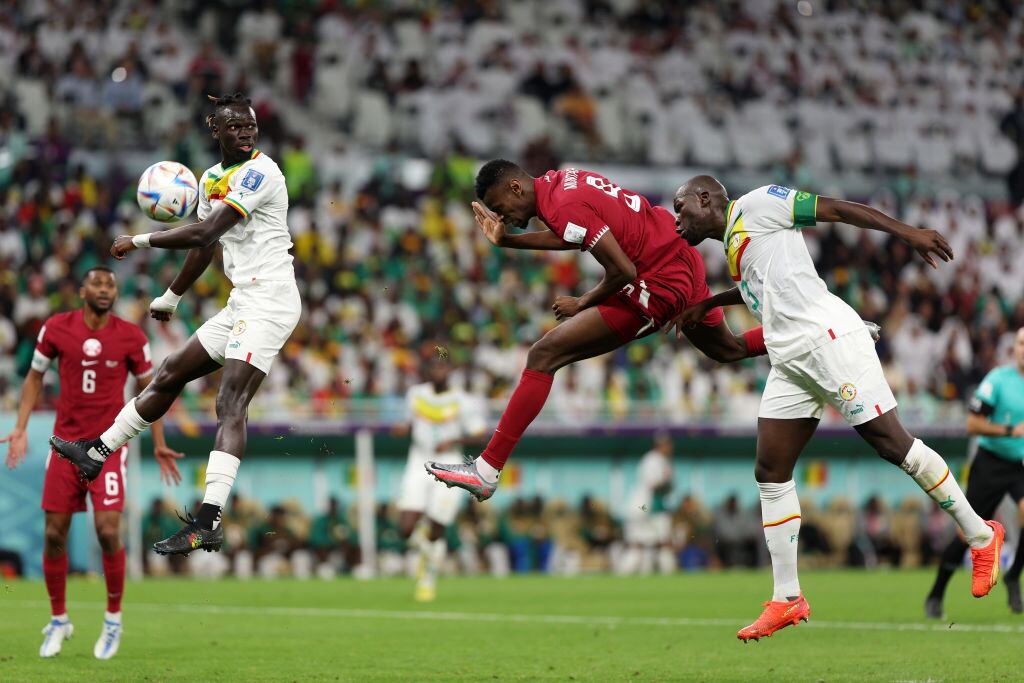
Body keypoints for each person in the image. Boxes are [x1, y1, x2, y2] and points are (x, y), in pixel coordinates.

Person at [670, 177, 1004, 642]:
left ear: (705, 199)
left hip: (828, 343)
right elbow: (764, 293)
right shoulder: (734, 246)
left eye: (679, 206)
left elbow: (837, 210)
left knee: (896, 448)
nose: (675, 217)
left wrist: (907, 233)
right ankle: (787, 599)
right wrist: (706, 305)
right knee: (770, 470)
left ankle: (981, 535)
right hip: (789, 361)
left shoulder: (759, 204)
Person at [49, 92, 300, 556]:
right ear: (215, 130)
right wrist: (172, 295)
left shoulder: (263, 172)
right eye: (235, 127)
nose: (245, 134)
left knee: (231, 401)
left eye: (250, 127)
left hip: (271, 300)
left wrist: (139, 239)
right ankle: (96, 452)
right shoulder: (208, 179)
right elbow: (204, 248)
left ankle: (208, 521)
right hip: (243, 299)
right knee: (170, 372)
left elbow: (206, 231)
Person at [427, 160, 766, 501]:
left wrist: (583, 302)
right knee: (728, 349)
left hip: (657, 280)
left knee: (543, 355)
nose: (504, 218)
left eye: (501, 208)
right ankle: (802, 331)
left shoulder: (561, 205)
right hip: (674, 251)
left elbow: (623, 269)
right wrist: (510, 241)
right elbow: (574, 232)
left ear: (516, 188)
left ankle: (487, 471)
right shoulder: (561, 182)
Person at [2, 266, 183, 659]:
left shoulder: (131, 337)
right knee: (53, 535)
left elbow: (150, 390)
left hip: (109, 447)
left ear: (115, 293)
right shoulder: (56, 328)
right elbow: (34, 378)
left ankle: (113, 618)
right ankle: (58, 619)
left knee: (106, 530)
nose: (104, 288)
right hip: (65, 448)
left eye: (110, 284)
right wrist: (20, 427)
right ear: (82, 290)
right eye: (97, 283)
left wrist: (158, 442)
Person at [925, 327, 1024, 618]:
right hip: (990, 462)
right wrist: (1010, 430)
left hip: (1018, 466)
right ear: (1013, 349)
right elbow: (972, 424)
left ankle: (1013, 576)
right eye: (1020, 343)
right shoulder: (998, 380)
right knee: (967, 532)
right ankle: (936, 593)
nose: (1023, 348)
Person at [397, 356, 486, 601]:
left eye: (443, 366)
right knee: (405, 528)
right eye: (434, 366)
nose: (439, 370)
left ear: (450, 370)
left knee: (437, 528)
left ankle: (427, 578)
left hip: (449, 466)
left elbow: (480, 434)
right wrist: (403, 429)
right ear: (427, 370)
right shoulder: (416, 394)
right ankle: (427, 550)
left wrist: (454, 440)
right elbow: (407, 423)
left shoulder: (463, 401)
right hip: (418, 461)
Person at [621, 433, 676, 575]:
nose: (669, 447)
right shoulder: (652, 459)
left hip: (649, 507)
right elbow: (654, 484)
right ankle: (624, 574)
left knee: (653, 543)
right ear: (659, 446)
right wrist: (667, 483)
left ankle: (662, 572)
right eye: (666, 444)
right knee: (643, 544)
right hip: (642, 507)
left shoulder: (663, 461)